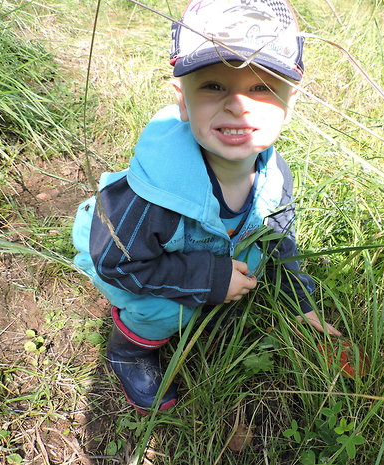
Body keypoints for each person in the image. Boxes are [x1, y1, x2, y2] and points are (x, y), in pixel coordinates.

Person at [72, 0, 342, 415]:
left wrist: (299, 301)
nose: (238, 104)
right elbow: (116, 262)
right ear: (182, 100)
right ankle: (129, 351)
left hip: (202, 257)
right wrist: (209, 280)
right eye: (214, 86)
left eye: (262, 87)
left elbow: (279, 240)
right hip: (122, 252)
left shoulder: (275, 176)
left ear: (291, 102)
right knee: (163, 307)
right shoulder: (154, 194)